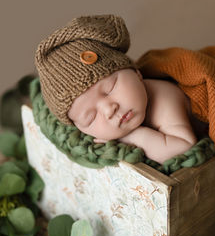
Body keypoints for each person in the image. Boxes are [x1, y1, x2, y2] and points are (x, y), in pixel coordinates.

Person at [35, 15, 198, 165]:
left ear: (137, 73)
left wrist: (133, 136)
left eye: (109, 89)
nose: (109, 109)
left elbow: (184, 148)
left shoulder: (163, 97)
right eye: (90, 118)